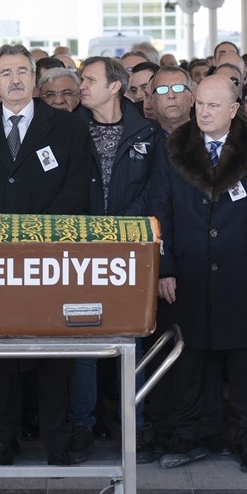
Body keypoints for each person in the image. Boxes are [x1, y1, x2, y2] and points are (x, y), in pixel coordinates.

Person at [0, 44, 92, 466]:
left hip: (48, 258)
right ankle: (1, 440)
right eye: (5, 73)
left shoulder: (67, 128)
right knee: (0, 354)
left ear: (34, 79)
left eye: (21, 72)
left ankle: (56, 439)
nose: (14, 80)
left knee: (52, 353)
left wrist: (38, 237)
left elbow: (75, 188)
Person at [148, 75, 247, 474]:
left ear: (233, 109)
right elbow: (159, 212)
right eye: (200, 105)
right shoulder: (174, 147)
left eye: (212, 106)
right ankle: (188, 435)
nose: (203, 113)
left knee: (244, 361)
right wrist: (165, 268)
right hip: (187, 272)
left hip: (242, 272)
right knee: (188, 360)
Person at [74, 56, 161, 457]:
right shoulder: (70, 128)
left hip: (129, 248)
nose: (81, 85)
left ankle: (137, 424)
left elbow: (156, 190)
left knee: (132, 338)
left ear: (114, 87)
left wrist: (120, 226)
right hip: (82, 248)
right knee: (84, 338)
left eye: (89, 79)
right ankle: (82, 426)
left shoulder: (147, 131)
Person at [149, 66, 193, 136]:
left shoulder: (208, 136)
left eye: (179, 88)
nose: (171, 96)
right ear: (152, 102)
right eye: (162, 89)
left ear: (191, 99)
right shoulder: (142, 141)